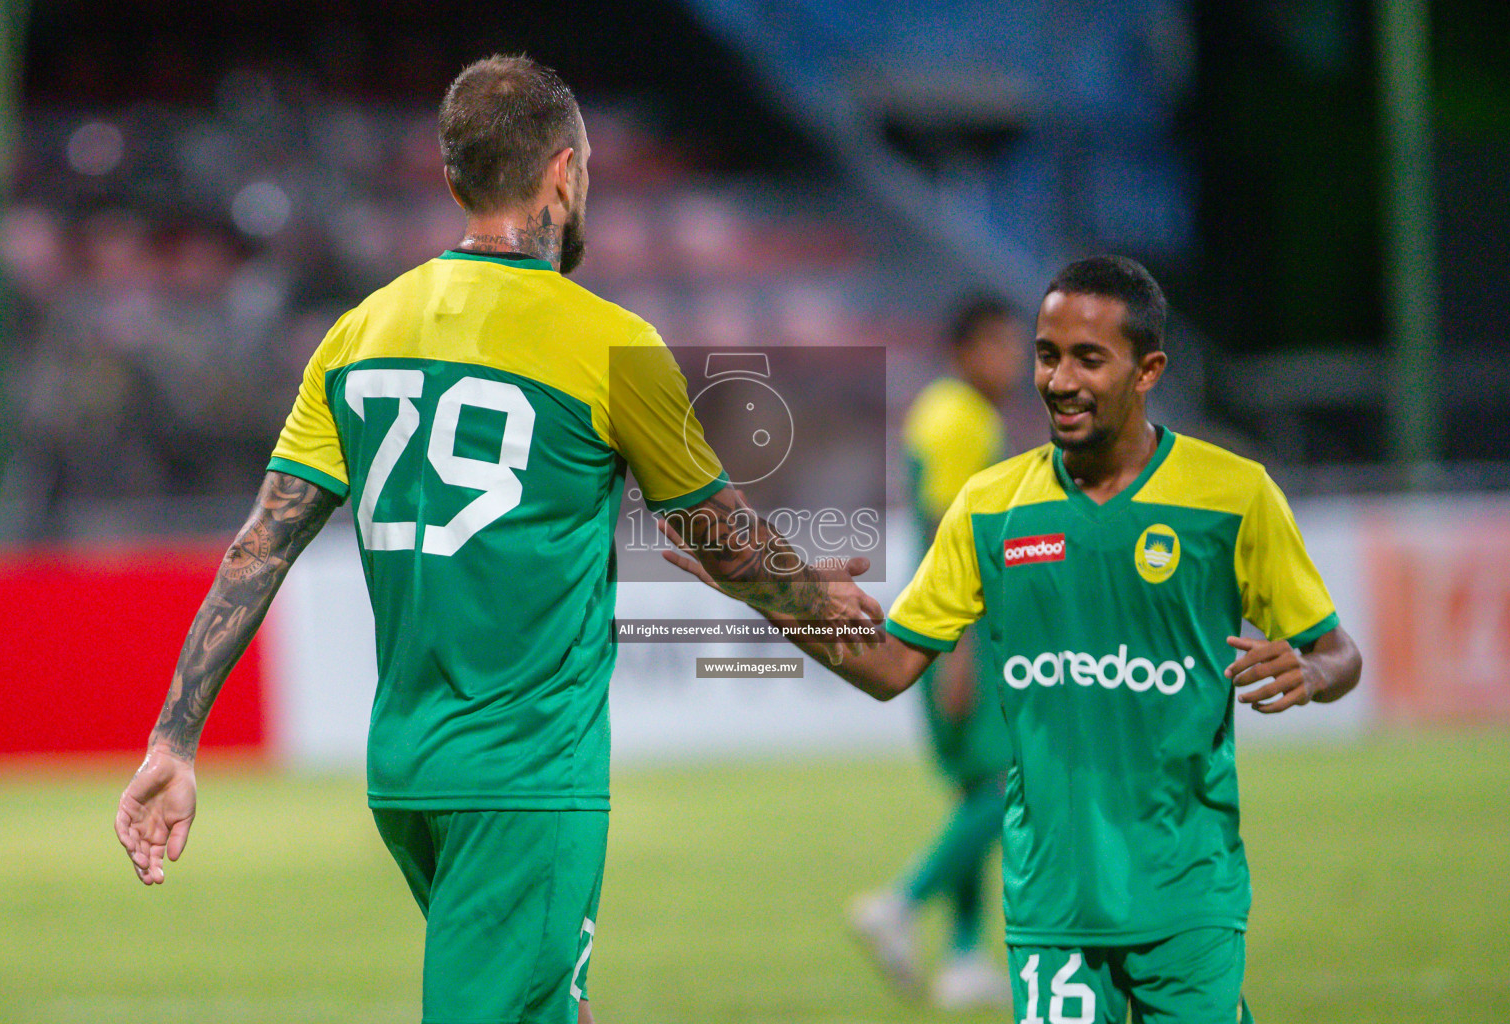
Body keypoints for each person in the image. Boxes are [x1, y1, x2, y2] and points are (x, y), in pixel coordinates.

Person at [114, 55, 882, 1024]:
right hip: (524, 775)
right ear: (565, 171)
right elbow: (725, 543)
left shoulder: (357, 332)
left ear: (451, 178)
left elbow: (258, 547)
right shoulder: (611, 343)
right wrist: (813, 595)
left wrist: (175, 737)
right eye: (589, 167)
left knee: (551, 1001)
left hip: (406, 771)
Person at [668, 255, 1362, 1023]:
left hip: (1189, 894)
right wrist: (766, 589)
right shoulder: (991, 506)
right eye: (1047, 354)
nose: (1059, 380)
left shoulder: (1233, 495)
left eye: (1089, 358)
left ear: (1148, 369)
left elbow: (1339, 652)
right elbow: (892, 662)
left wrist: (1309, 669)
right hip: (1051, 906)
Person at [849, 296, 1026, 1009]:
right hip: (960, 628)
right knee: (1008, 784)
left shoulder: (937, 410)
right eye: (1005, 346)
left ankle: (960, 958)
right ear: (968, 349)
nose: (1016, 363)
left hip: (940, 622)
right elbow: (951, 537)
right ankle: (899, 903)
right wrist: (956, 645)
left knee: (973, 790)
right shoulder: (965, 420)